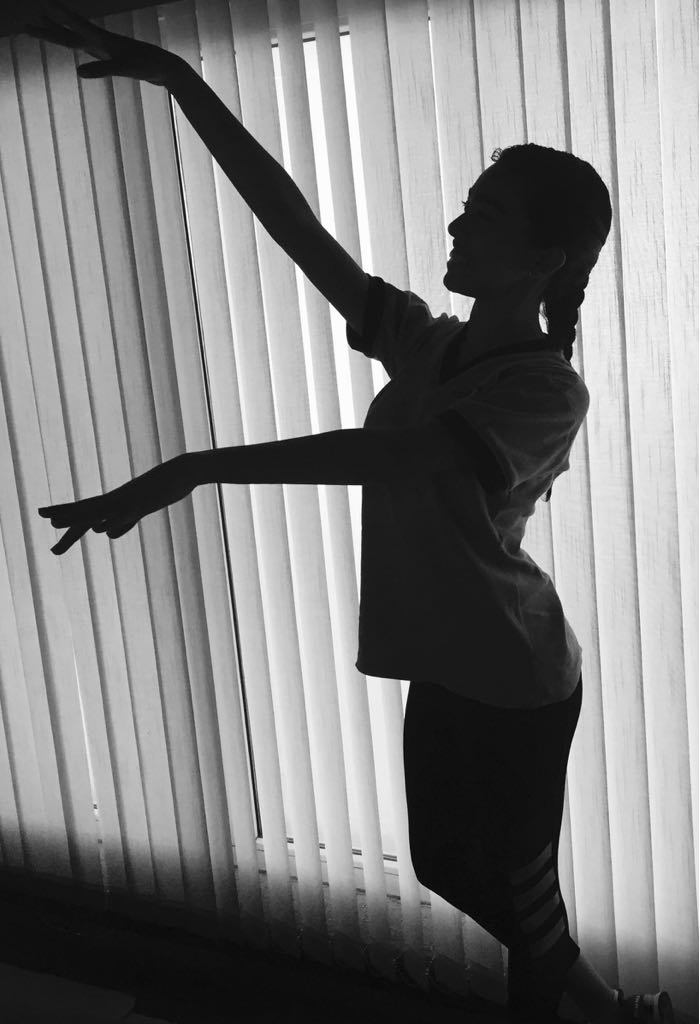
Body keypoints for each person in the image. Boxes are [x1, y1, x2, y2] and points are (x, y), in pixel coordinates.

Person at [24, 6, 675, 1024]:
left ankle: (596, 1011)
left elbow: (394, 458)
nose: (456, 226)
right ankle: (607, 1006)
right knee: (452, 866)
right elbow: (295, 229)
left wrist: (194, 468)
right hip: (449, 658)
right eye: (466, 207)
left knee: (515, 899)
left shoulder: (547, 389)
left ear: (544, 259)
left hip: (516, 676)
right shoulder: (427, 343)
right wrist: (182, 85)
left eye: (485, 217)